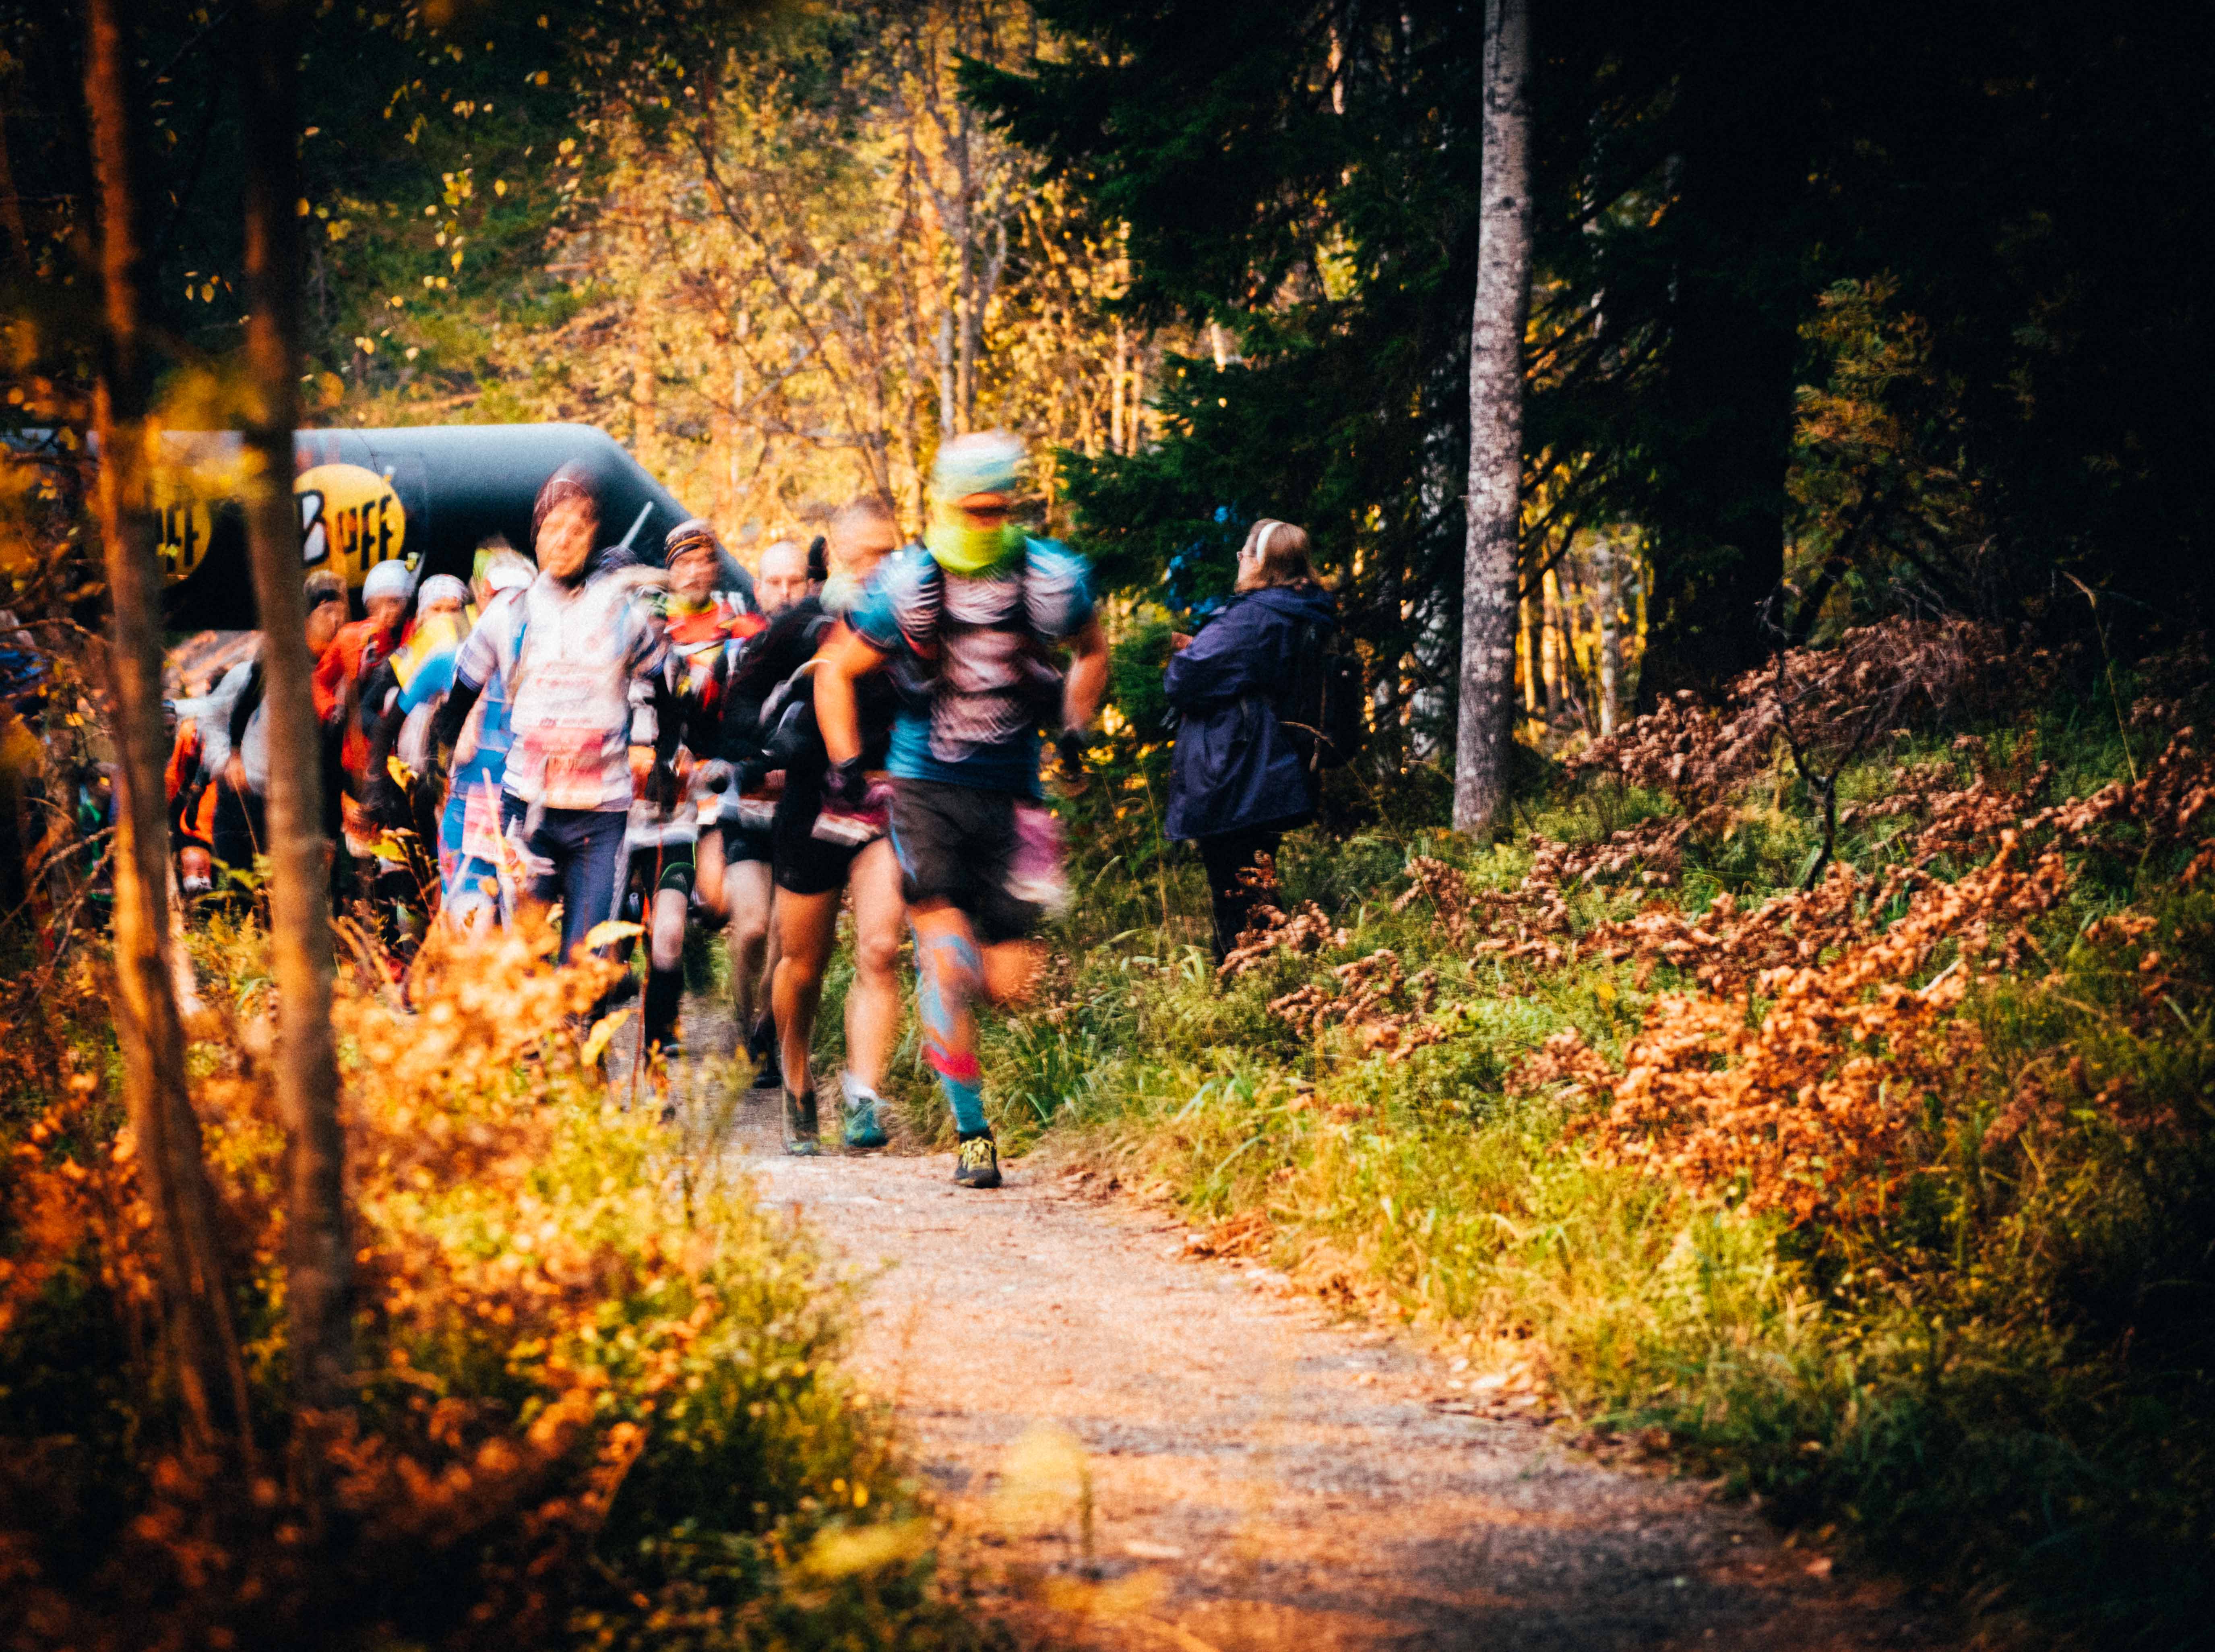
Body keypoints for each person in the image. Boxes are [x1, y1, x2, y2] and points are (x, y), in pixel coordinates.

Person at [814, 433, 1107, 1184]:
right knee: (946, 965)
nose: (984, 522)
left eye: (996, 509)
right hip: (927, 794)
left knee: (1011, 984)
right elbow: (835, 670)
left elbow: (1092, 648)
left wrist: (1075, 726)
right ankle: (973, 1138)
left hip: (1014, 799)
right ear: (945, 504)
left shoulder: (1051, 576)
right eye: (971, 509)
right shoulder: (908, 583)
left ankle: (946, 993)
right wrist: (846, 766)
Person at [429, 464, 670, 994]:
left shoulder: (623, 617)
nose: (563, 540)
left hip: (601, 820)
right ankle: (540, 1043)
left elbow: (663, 694)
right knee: (525, 966)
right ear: (536, 535)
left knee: (581, 973)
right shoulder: (507, 614)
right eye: (553, 527)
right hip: (526, 814)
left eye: (578, 528)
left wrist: (665, 757)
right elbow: (459, 697)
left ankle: (584, 1029)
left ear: (594, 537)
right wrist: (435, 760)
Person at [750, 496, 905, 1154]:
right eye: (865, 554)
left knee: (880, 947)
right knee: (802, 964)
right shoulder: (805, 625)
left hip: (884, 804)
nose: (879, 565)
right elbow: (741, 700)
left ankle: (864, 1097)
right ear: (839, 555)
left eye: (889, 551)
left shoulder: (917, 618)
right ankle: (796, 1076)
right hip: (811, 802)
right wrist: (751, 761)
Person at [1164, 518, 1338, 962]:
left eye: (1246, 553)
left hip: (1237, 771)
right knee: (1256, 887)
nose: (1240, 559)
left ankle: (1246, 980)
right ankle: (1270, 975)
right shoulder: (1299, 608)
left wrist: (1186, 654)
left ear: (1263, 563)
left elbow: (1185, 678)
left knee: (1236, 895)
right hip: (1273, 766)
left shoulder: (1255, 616)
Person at [628, 519, 765, 1057]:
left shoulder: (741, 624)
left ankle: (701, 971)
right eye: (680, 563)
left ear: (715, 565)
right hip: (661, 787)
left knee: (717, 902)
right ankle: (665, 1014)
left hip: (722, 776)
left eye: (700, 561)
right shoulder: (653, 624)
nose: (690, 572)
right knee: (664, 907)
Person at [364, 547, 535, 926]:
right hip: (463, 810)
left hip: (526, 811)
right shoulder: (448, 660)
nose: (512, 612)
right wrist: (379, 787)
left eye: (523, 601)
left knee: (517, 928)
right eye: (500, 597)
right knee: (470, 921)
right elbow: (387, 724)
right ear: (484, 599)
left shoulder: (546, 667)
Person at [700, 537, 809, 1084]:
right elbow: (709, 734)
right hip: (745, 811)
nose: (786, 592)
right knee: (750, 929)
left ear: (809, 586)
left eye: (795, 581)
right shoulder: (735, 655)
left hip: (802, 813)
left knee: (788, 939)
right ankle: (744, 1025)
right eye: (775, 582)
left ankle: (766, 1034)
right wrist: (740, 768)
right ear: (759, 589)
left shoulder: (827, 648)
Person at [198, 570, 350, 880]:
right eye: (327, 611)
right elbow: (219, 713)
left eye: (342, 612)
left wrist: (328, 833)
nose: (336, 621)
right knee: (241, 892)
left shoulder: (344, 677)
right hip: (245, 796)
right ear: (306, 617)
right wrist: (229, 757)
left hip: (298, 808)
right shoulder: (269, 662)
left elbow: (332, 764)